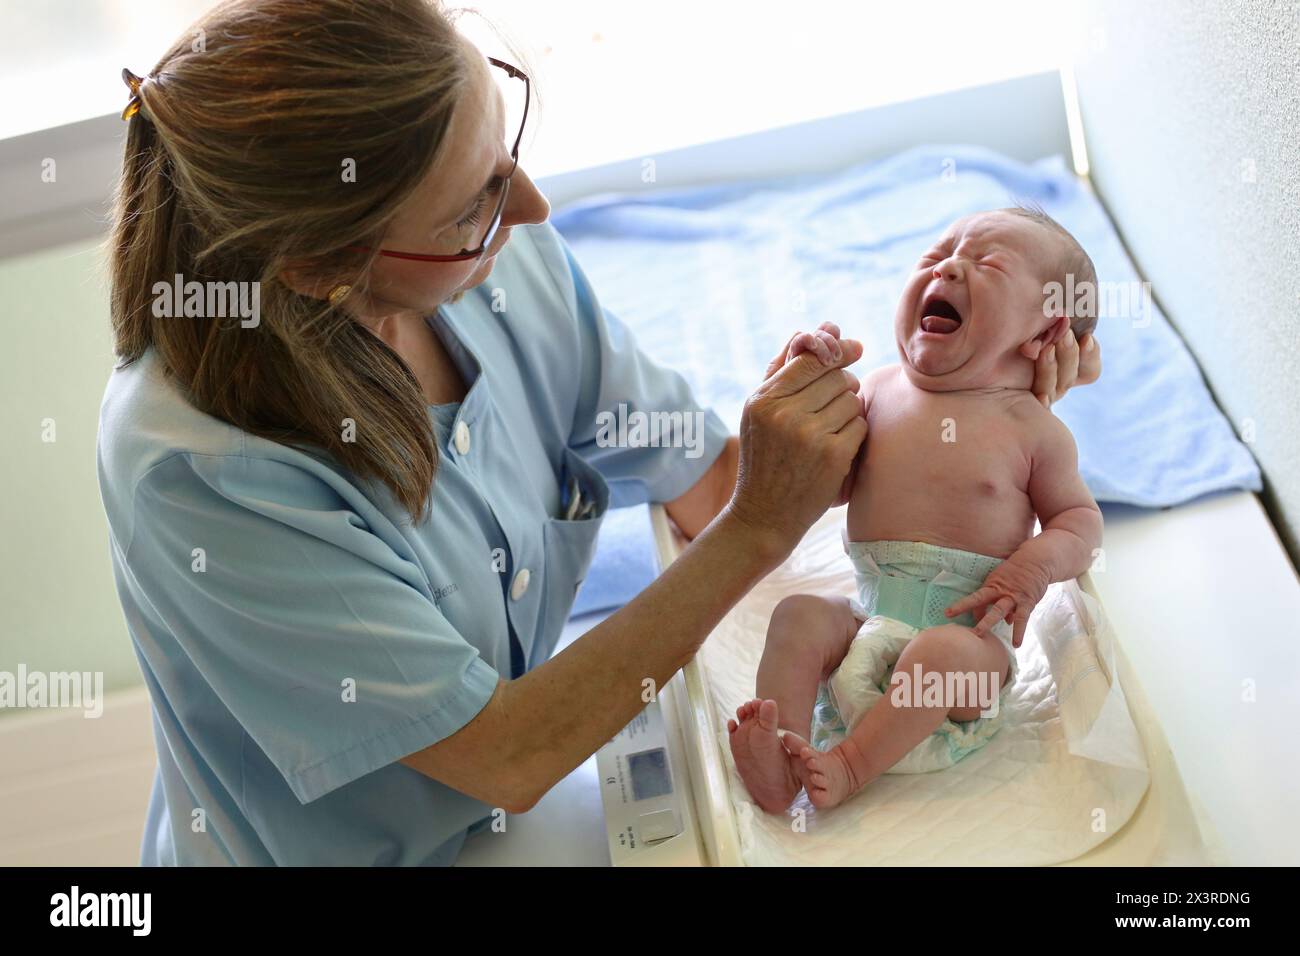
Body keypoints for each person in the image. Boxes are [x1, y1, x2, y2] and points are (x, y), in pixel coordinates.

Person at [97, 0, 1101, 864]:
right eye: (474, 205)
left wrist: (966, 414)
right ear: (322, 267)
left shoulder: (508, 271)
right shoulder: (198, 473)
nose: (530, 207)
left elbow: (710, 481)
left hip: (525, 802)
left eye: (507, 149)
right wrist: (759, 526)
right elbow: (510, 751)